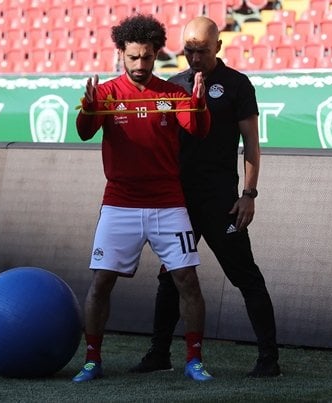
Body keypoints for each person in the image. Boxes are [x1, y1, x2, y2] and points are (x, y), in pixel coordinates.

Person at [130, 16, 281, 378]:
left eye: (202, 51)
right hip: (178, 203)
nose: (195, 58)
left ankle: (269, 359)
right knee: (170, 277)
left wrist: (249, 194)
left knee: (245, 276)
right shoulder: (173, 85)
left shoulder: (237, 85)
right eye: (189, 51)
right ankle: (159, 353)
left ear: (218, 47)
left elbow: (252, 146)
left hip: (221, 203)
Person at [72, 14, 214, 383]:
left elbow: (197, 130)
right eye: (133, 57)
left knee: (188, 282)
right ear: (120, 53)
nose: (139, 65)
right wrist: (88, 108)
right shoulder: (105, 94)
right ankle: (92, 360)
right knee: (101, 283)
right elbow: (85, 133)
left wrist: (199, 104)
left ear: (156, 56)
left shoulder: (173, 94)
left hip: (169, 204)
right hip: (120, 204)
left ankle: (194, 360)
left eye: (146, 58)